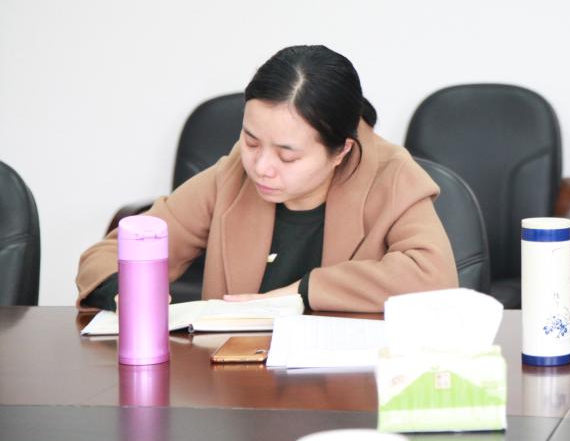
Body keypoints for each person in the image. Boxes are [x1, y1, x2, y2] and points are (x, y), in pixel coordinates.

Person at [77, 45, 458, 312]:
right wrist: (126, 293)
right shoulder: (233, 175)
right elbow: (105, 256)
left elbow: (434, 278)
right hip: (239, 385)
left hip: (348, 389)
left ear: (340, 151)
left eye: (287, 155)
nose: (261, 166)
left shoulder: (390, 175)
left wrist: (302, 292)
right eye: (251, 141)